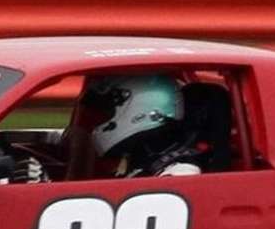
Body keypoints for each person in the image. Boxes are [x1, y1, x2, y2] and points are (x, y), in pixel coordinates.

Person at [76, 74, 213, 178]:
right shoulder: (144, 158)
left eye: (108, 112)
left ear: (138, 109)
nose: (100, 120)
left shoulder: (180, 173)